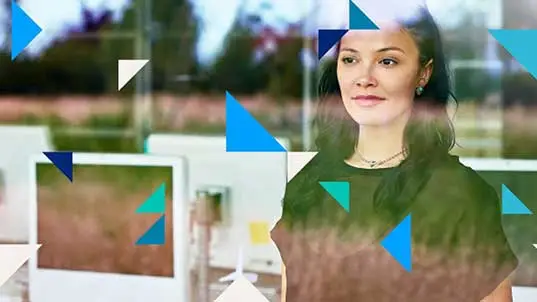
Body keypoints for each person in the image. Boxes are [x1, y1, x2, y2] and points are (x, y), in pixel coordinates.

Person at [270, 5, 519, 302]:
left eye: (387, 61)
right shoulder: (308, 185)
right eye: (350, 59)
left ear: (423, 73)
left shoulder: (463, 196)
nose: (364, 78)